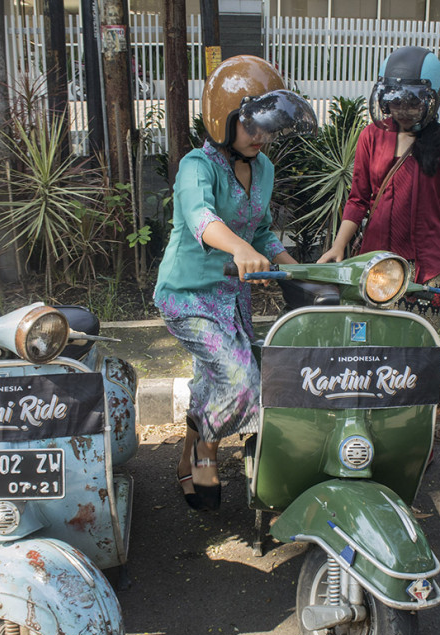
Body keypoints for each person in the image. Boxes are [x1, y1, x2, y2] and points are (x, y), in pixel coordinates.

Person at [154, 55, 316, 511]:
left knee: (213, 381)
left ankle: (186, 461)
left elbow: (260, 227)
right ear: (223, 119)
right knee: (242, 381)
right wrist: (238, 249)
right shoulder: (196, 166)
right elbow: (201, 218)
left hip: (232, 298)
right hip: (187, 296)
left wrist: (291, 266)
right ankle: (207, 449)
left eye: (267, 128)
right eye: (252, 126)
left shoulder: (262, 168)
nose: (261, 137)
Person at [318, 46, 440, 301]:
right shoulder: (371, 137)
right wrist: (338, 246)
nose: (402, 110)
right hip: (377, 263)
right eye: (395, 102)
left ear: (432, 99)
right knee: (375, 335)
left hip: (427, 266)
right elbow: (358, 199)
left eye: (412, 103)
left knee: (419, 336)